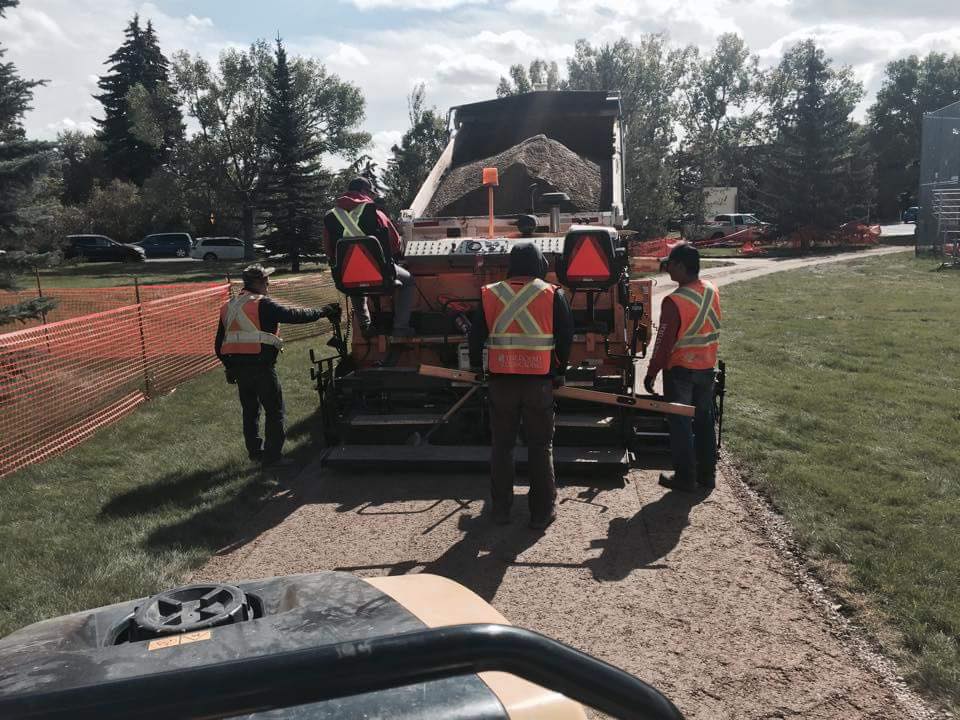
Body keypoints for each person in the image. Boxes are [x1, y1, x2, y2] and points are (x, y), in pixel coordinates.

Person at [469, 243, 574, 530]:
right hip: (538, 383)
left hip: (500, 381)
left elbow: (475, 335)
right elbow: (565, 337)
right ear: (540, 264)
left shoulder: (490, 293)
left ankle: (500, 511)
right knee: (540, 447)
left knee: (502, 447)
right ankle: (541, 513)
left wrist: (478, 369)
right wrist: (560, 371)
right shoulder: (553, 293)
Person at [216, 264, 340, 466]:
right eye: (266, 280)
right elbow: (294, 316)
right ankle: (273, 458)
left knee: (250, 412)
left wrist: (229, 367)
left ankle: (255, 454)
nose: (268, 283)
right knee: (274, 411)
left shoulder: (227, 307)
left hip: (239, 369)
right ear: (258, 282)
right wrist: (323, 311)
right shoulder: (263, 304)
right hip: (262, 368)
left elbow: (218, 343)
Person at [643, 244, 721, 493]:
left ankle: (685, 477)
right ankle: (707, 476)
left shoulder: (674, 301)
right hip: (707, 367)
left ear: (680, 266)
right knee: (705, 422)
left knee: (681, 424)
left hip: (681, 371)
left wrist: (652, 372)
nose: (667, 269)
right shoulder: (711, 290)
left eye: (670, 264)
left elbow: (664, 342)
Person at [322, 176, 416, 337]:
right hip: (381, 273)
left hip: (345, 276)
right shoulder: (376, 213)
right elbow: (394, 244)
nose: (372, 197)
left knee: (353, 282)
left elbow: (328, 250)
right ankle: (401, 327)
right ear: (364, 191)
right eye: (371, 193)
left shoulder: (330, 216)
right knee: (408, 281)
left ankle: (365, 326)